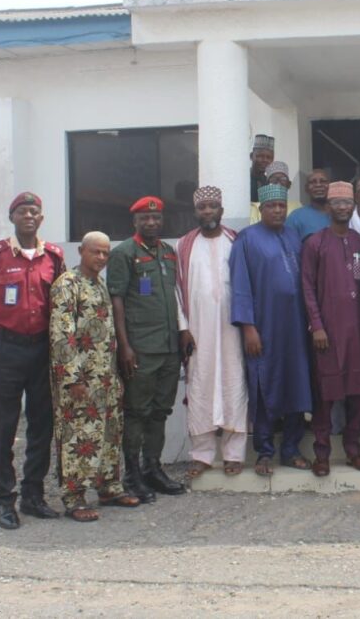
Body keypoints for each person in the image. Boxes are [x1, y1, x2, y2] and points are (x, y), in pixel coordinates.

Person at [0, 192, 65, 530]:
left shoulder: (54, 256)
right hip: (6, 349)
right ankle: (5, 500)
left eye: (34, 211)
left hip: (42, 350)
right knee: (3, 426)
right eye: (22, 211)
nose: (29, 216)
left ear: (42, 218)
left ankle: (33, 495)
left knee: (42, 424)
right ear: (12, 217)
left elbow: (62, 300)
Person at [49, 232, 140, 521]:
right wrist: (72, 378)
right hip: (80, 379)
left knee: (109, 433)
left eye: (105, 253)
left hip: (106, 377)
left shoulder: (100, 284)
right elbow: (62, 334)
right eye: (95, 252)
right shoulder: (67, 284)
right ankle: (74, 497)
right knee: (79, 436)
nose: (101, 257)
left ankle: (108, 488)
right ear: (81, 251)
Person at [230, 183, 314, 476]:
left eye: (281, 205)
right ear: (261, 209)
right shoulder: (246, 239)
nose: (277, 210)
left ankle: (291, 449)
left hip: (295, 328)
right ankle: (264, 452)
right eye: (271, 206)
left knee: (296, 383)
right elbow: (240, 286)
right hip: (264, 328)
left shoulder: (293, 236)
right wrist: (248, 327)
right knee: (264, 384)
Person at [108, 196, 186, 502]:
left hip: (168, 347)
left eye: (156, 218)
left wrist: (182, 332)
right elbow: (116, 300)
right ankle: (132, 475)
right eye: (145, 218)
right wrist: (124, 346)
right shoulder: (124, 253)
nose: (152, 222)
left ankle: (152, 468)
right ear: (135, 222)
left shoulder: (168, 252)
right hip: (140, 348)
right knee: (137, 412)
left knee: (160, 411)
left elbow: (175, 296)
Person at [175, 186, 248, 480]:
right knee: (200, 385)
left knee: (234, 383)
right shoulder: (184, 245)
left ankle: (234, 454)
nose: (207, 211)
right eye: (202, 207)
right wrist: (183, 328)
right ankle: (201, 455)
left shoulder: (236, 240)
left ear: (221, 210)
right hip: (198, 329)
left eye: (212, 206)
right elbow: (176, 290)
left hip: (233, 328)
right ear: (195, 211)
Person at [302, 182, 360, 476]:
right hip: (327, 332)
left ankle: (353, 450)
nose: (343, 207)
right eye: (337, 203)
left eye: (347, 203)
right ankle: (322, 453)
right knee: (325, 394)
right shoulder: (315, 243)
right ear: (328, 208)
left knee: (358, 393)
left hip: (358, 331)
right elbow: (307, 287)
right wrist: (317, 326)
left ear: (353, 206)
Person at [249, 161, 301, 225]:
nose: (278, 183)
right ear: (266, 184)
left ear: (289, 184)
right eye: (274, 179)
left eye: (283, 179)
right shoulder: (254, 208)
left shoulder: (297, 206)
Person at [286, 168, 331, 240]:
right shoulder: (295, 217)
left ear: (330, 186)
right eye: (313, 182)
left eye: (323, 181)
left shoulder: (340, 214)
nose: (318, 185)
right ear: (306, 188)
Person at [249, 134, 274, 203]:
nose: (265, 160)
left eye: (269, 157)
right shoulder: (244, 180)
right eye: (260, 156)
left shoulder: (269, 183)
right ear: (251, 156)